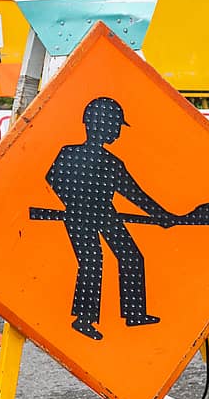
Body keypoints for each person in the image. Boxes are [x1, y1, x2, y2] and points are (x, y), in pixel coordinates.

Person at [43, 97, 170, 340]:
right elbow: (52, 180)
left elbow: (135, 195)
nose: (117, 132)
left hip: (104, 212)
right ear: (100, 125)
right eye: (115, 126)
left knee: (131, 256)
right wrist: (73, 203)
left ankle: (134, 313)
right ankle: (84, 319)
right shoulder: (69, 153)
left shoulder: (112, 162)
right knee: (92, 260)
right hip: (80, 215)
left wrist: (161, 216)